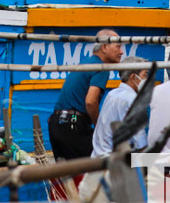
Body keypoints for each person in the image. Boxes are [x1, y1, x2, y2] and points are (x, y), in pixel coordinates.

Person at [48, 31, 123, 160]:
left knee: (67, 175)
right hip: (72, 126)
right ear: (104, 47)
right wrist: (100, 128)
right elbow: (90, 102)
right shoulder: (101, 67)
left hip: (56, 124)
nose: (121, 52)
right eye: (118, 46)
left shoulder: (86, 63)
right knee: (97, 166)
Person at [90, 68, 149, 157]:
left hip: (98, 156)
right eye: (145, 75)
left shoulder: (112, 94)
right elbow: (141, 145)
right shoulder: (132, 99)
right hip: (115, 162)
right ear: (133, 77)